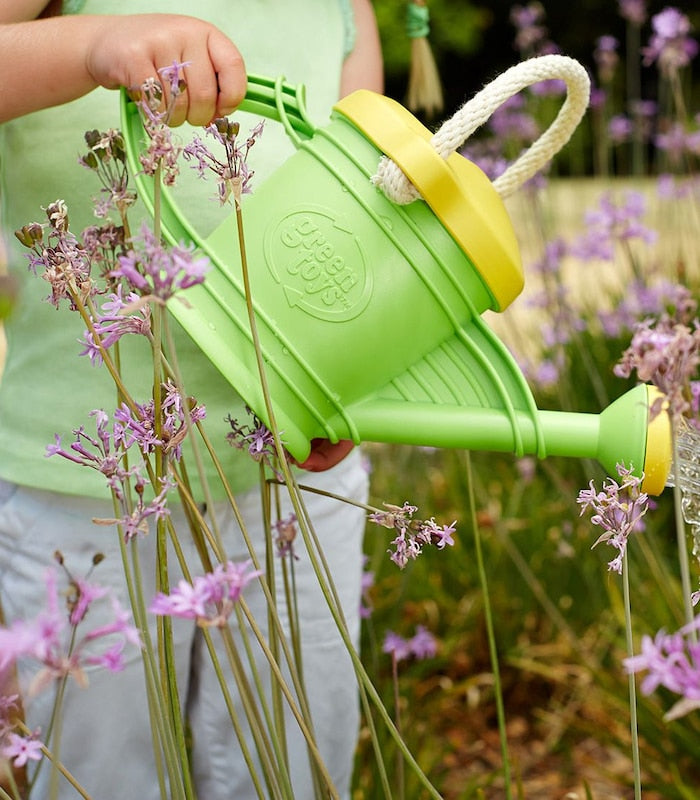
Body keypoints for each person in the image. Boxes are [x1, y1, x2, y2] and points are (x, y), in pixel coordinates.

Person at [0, 2, 383, 799]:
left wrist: (353, 376)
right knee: (94, 776)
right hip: (89, 488)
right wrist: (92, 44)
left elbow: (365, 199)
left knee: (293, 768)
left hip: (296, 481)